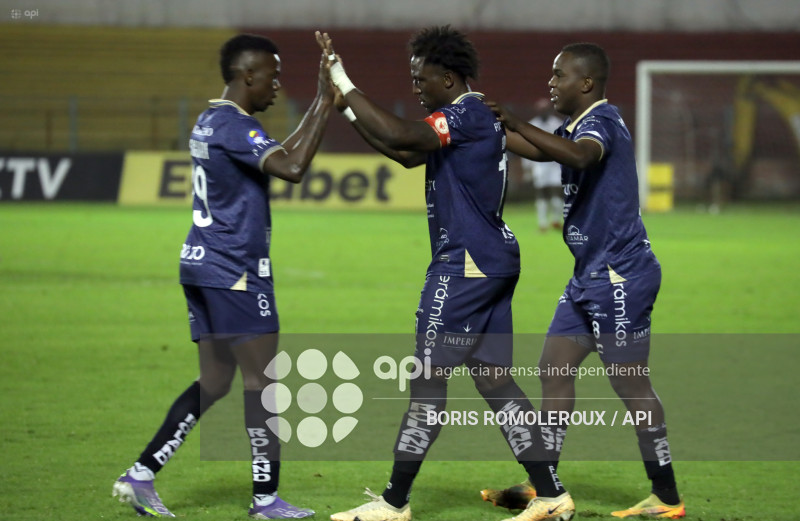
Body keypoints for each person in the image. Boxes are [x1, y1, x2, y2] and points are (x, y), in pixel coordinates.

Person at [316, 27, 575, 521]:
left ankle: (394, 503)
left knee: (429, 383)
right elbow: (407, 153)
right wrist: (345, 106)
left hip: (465, 266)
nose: (416, 86)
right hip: (492, 261)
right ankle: (551, 494)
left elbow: (400, 134)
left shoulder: (467, 114)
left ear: (449, 77)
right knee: (496, 382)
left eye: (422, 78)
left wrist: (343, 80)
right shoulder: (466, 118)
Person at [111, 33, 333, 519]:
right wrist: (324, 101)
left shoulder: (211, 119)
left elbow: (279, 154)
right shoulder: (236, 125)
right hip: (235, 271)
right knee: (263, 382)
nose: (277, 86)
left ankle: (141, 473)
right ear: (247, 75)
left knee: (214, 381)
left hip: (201, 263)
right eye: (272, 76)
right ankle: (265, 499)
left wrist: (320, 106)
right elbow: (293, 166)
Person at [483, 43, 685, 519]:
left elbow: (578, 157)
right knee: (554, 367)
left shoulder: (602, 123)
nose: (550, 83)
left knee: (630, 385)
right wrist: (487, 127)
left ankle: (667, 495)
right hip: (589, 275)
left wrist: (514, 121)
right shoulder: (576, 125)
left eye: (559, 76)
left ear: (586, 83)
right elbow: (536, 147)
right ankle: (546, 486)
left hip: (620, 275)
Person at [520, 99, 564, 233]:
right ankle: (543, 223)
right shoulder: (532, 125)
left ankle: (556, 220)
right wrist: (527, 167)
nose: (543, 112)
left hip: (555, 164)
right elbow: (526, 146)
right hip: (539, 164)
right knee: (542, 193)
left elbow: (564, 144)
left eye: (545, 109)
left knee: (557, 191)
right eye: (541, 110)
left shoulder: (557, 124)